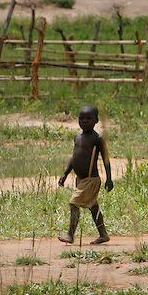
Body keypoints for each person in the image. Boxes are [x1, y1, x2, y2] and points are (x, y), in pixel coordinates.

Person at [58, 104, 113, 244]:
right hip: (80, 179)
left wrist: (109, 179)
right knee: (93, 207)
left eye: (89, 118)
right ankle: (103, 234)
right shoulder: (77, 137)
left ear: (96, 120)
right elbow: (74, 157)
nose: (84, 121)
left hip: (91, 179)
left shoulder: (97, 139)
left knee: (73, 203)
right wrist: (65, 173)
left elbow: (106, 160)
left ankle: (70, 235)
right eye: (81, 118)